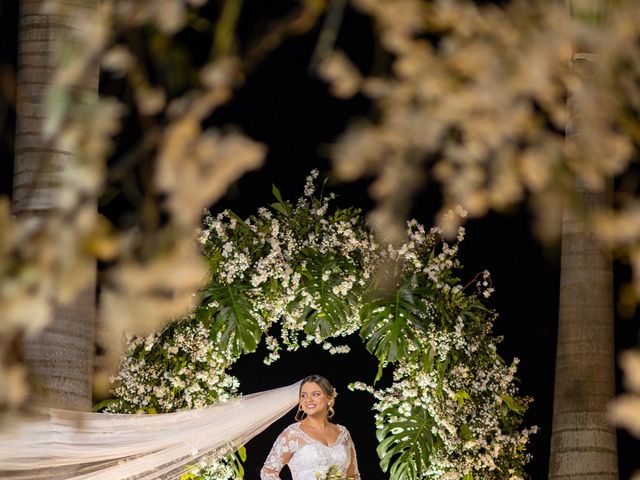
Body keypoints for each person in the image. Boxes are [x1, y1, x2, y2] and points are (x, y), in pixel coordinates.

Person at [260, 375, 361, 480]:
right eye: (303, 395)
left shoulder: (343, 433)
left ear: (329, 399)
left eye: (315, 394)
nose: (308, 399)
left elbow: (353, 475)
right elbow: (268, 472)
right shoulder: (292, 434)